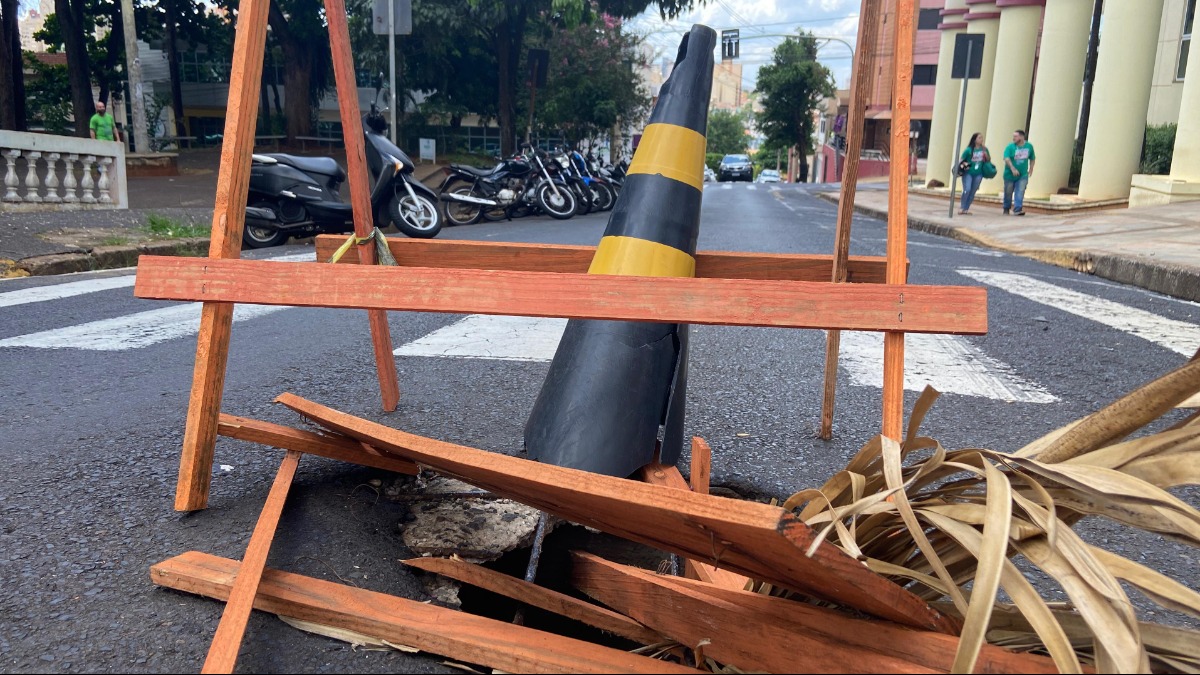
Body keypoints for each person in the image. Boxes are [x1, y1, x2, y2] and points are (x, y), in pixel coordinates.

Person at [1002, 129, 1035, 216]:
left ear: (1021, 137)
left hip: (1022, 174)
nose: (1013, 138)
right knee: (1008, 192)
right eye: (1013, 136)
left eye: (1015, 136)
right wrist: (1012, 168)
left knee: (1020, 191)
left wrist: (1031, 168)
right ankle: (1006, 207)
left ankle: (1017, 209)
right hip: (1009, 175)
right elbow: (1006, 158)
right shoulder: (1010, 147)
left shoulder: (1029, 146)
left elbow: (1032, 157)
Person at [957, 132, 990, 215]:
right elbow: (961, 160)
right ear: (974, 140)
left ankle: (966, 208)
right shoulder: (969, 150)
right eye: (979, 138)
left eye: (982, 138)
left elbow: (988, 160)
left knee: (973, 191)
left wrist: (986, 155)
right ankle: (962, 207)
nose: (981, 139)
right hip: (968, 172)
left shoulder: (984, 149)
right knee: (967, 189)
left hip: (978, 173)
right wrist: (963, 165)